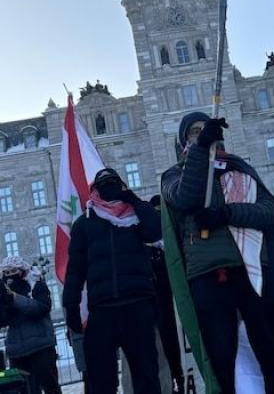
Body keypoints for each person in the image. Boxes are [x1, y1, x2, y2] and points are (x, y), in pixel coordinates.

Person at [161, 113, 274, 393]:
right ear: (184, 140)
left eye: (206, 130)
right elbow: (186, 197)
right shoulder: (175, 174)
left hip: (252, 269)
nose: (201, 134)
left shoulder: (238, 169)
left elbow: (268, 211)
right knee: (222, 357)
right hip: (208, 274)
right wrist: (200, 151)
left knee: (271, 349)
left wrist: (228, 213)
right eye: (194, 132)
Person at [62, 168, 162, 394]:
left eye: (113, 184)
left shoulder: (134, 216)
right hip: (102, 309)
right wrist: (71, 306)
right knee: (100, 380)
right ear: (95, 191)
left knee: (146, 375)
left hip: (137, 304)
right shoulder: (84, 224)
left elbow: (155, 232)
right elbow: (75, 270)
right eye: (105, 185)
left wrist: (135, 201)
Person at [0, 257, 61, 394]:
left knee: (51, 387)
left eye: (14, 271)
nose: (10, 275)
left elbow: (41, 308)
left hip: (41, 346)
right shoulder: (3, 292)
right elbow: (3, 320)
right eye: (7, 272)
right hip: (17, 351)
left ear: (22, 270)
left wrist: (14, 298)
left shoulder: (35, 284)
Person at [148, 195, 185, 392]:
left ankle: (177, 376)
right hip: (165, 302)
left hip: (170, 302)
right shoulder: (152, 248)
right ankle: (176, 376)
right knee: (169, 339)